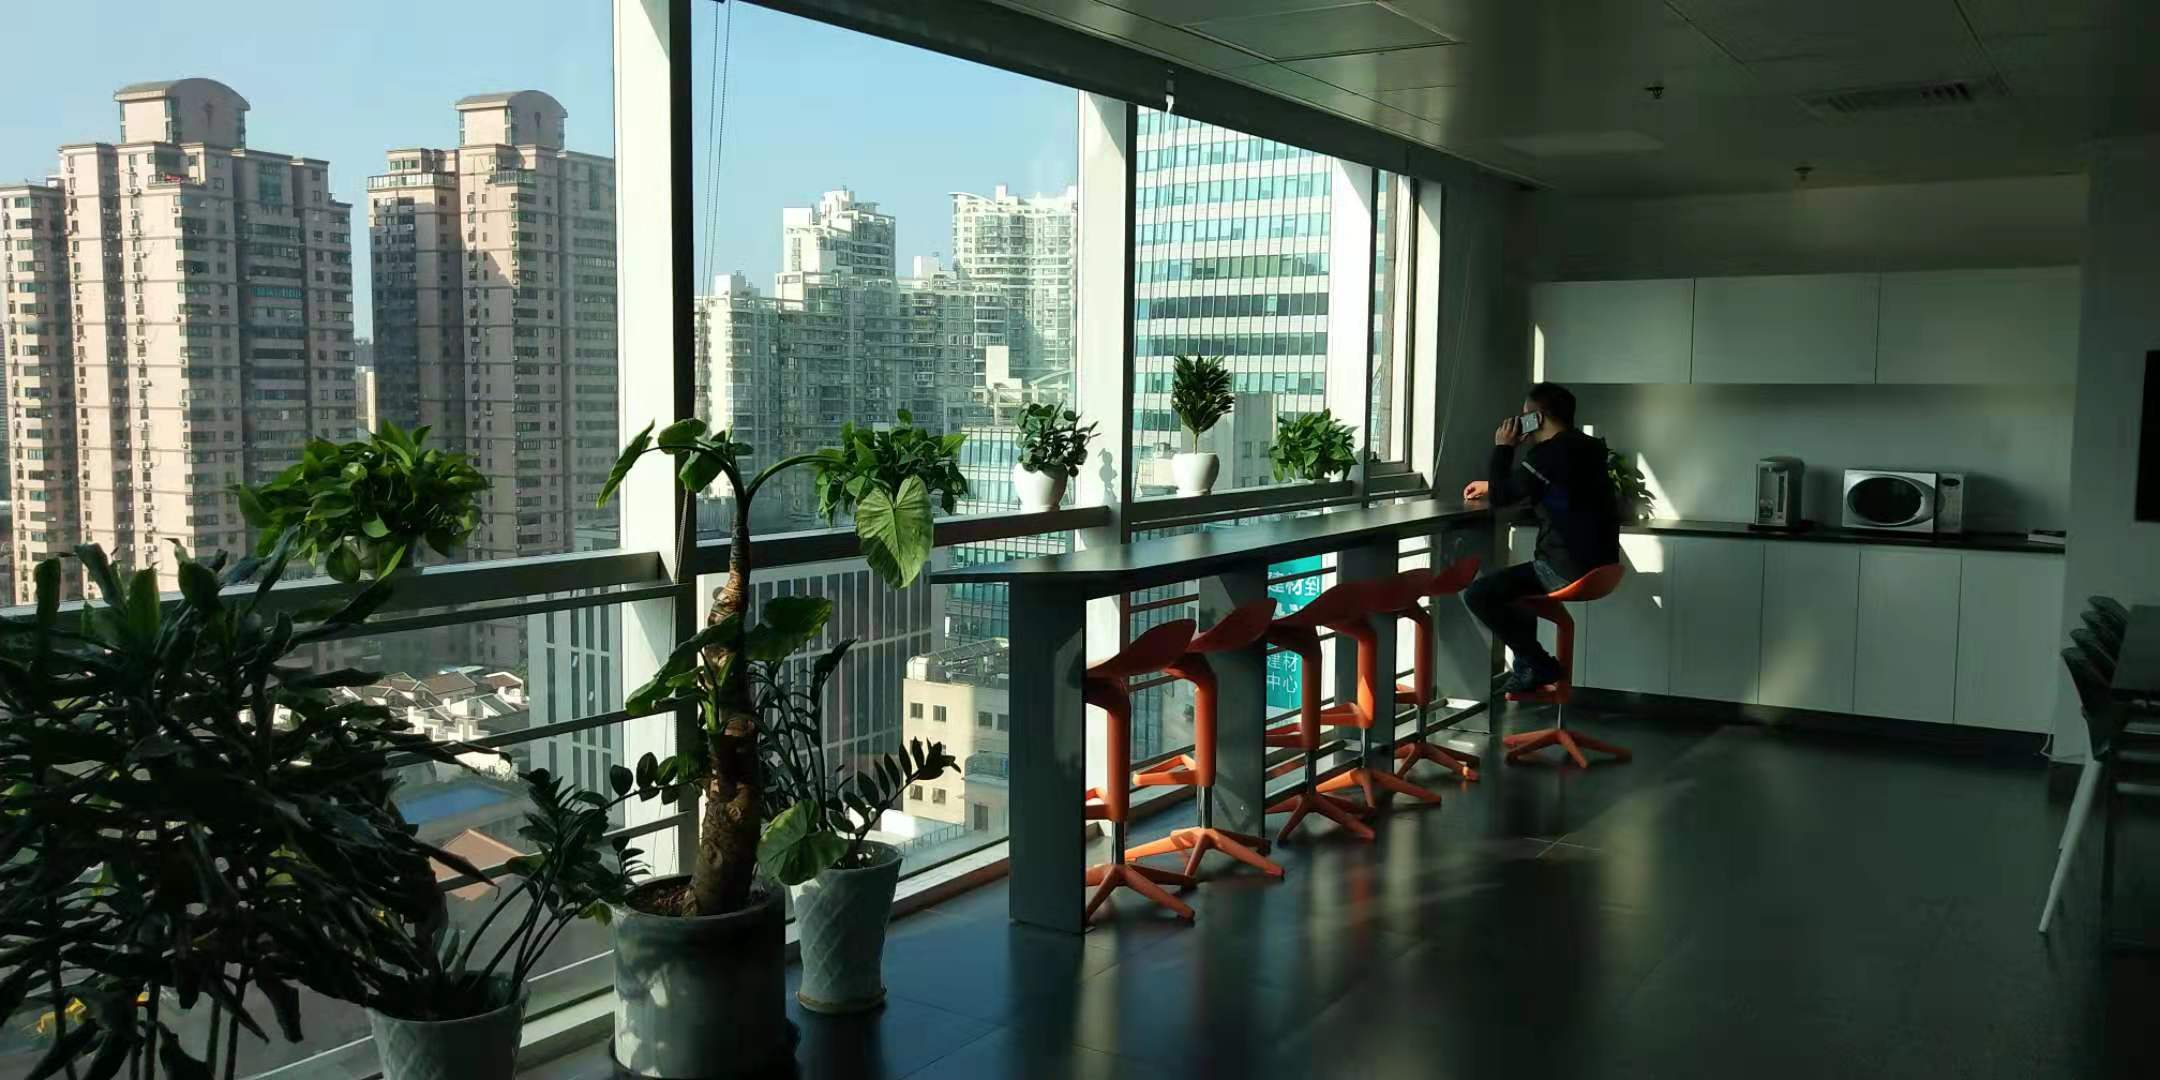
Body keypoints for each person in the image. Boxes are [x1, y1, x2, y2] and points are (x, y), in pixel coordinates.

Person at [1460, 382, 1620, 694]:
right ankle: (1528, 667)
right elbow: (1530, 485)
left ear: (1538, 417)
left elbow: (1504, 498)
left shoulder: (1549, 453)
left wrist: (1504, 447)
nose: (1520, 422)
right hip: (1601, 565)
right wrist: (1492, 486)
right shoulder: (1586, 446)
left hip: (1566, 568)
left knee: (1479, 594)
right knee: (1514, 588)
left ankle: (1539, 664)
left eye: (1525, 416)